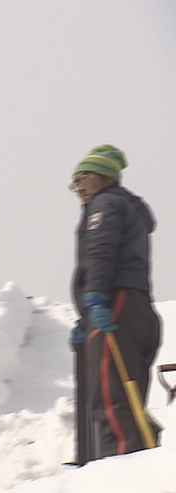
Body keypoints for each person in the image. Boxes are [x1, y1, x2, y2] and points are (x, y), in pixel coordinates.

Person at [69, 144, 162, 460]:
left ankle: (121, 468)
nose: (78, 187)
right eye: (74, 182)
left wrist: (94, 296)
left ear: (107, 177)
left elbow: (101, 250)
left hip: (115, 303)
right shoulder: (126, 208)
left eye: (83, 177)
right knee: (129, 395)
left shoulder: (105, 204)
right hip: (136, 307)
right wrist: (84, 322)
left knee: (111, 396)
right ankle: (144, 459)